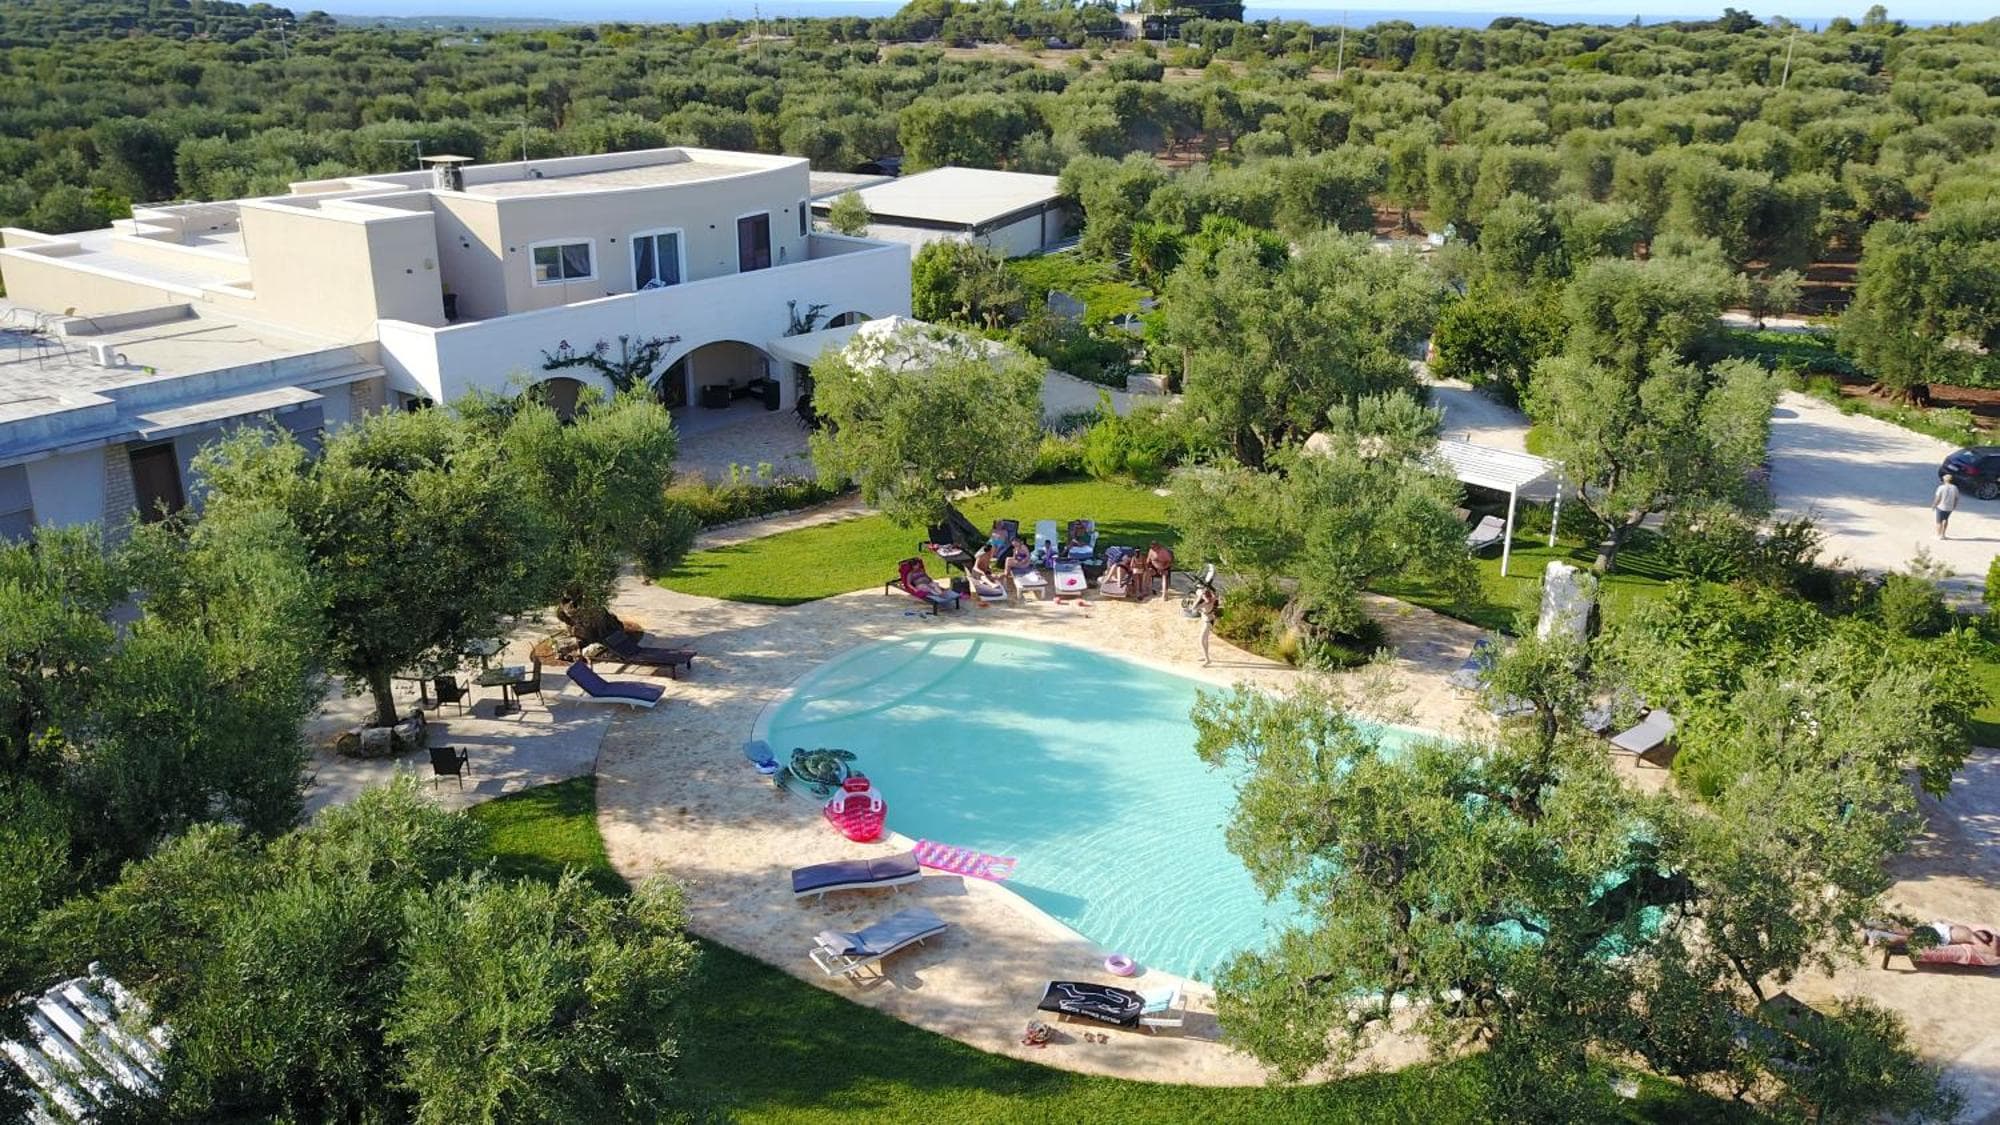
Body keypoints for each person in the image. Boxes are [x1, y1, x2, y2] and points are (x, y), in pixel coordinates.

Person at [1194, 583, 1220, 666]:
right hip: (1209, 621)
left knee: (1201, 640)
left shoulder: (1206, 603)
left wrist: (1199, 596)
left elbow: (1193, 607)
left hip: (1207, 623)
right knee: (1205, 639)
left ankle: (1208, 660)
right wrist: (1208, 590)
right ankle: (1206, 656)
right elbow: (1216, 594)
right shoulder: (1212, 598)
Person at [1934, 472, 1960, 539]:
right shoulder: (1955, 488)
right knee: (1945, 519)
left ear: (1945, 480)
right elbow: (1956, 498)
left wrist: (1934, 505)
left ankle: (1938, 535)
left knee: (1939, 521)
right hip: (1950, 507)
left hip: (1941, 506)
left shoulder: (1941, 487)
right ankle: (1943, 534)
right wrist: (1954, 506)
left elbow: (1938, 498)